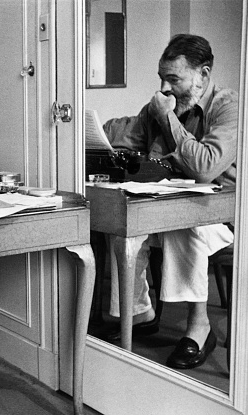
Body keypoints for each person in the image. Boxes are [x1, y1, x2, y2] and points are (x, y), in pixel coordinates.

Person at [102, 34, 237, 369]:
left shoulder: (229, 107)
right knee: (123, 222)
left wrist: (168, 121)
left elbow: (205, 167)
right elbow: (126, 136)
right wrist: (96, 133)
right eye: (161, 78)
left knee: (179, 224)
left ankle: (199, 327)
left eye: (173, 79)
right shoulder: (162, 105)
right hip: (171, 202)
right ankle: (140, 313)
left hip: (226, 213)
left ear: (203, 75)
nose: (164, 88)